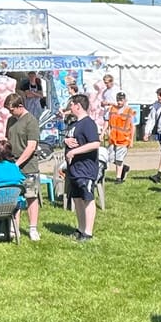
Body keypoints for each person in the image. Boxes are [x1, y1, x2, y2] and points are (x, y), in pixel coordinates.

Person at [63, 93, 102, 241]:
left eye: (71, 105)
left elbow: (95, 143)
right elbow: (73, 140)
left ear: (78, 106)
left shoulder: (88, 123)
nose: (70, 108)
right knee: (77, 199)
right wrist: (67, 142)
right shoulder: (74, 124)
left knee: (87, 198)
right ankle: (80, 228)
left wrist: (74, 151)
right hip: (74, 169)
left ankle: (88, 232)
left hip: (86, 169)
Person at [4, 91, 43, 242]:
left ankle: (33, 228)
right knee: (15, 197)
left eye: (12, 110)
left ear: (20, 106)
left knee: (31, 196)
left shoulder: (31, 121)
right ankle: (14, 227)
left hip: (28, 166)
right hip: (12, 164)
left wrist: (17, 163)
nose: (10, 112)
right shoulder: (10, 121)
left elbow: (31, 146)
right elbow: (8, 140)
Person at [104, 92, 135, 183]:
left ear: (125, 100)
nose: (119, 102)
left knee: (119, 159)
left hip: (123, 139)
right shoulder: (112, 109)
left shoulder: (129, 111)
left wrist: (131, 140)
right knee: (110, 158)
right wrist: (103, 133)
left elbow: (133, 126)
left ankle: (118, 178)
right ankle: (123, 168)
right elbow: (107, 121)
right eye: (118, 99)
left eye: (121, 100)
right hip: (113, 139)